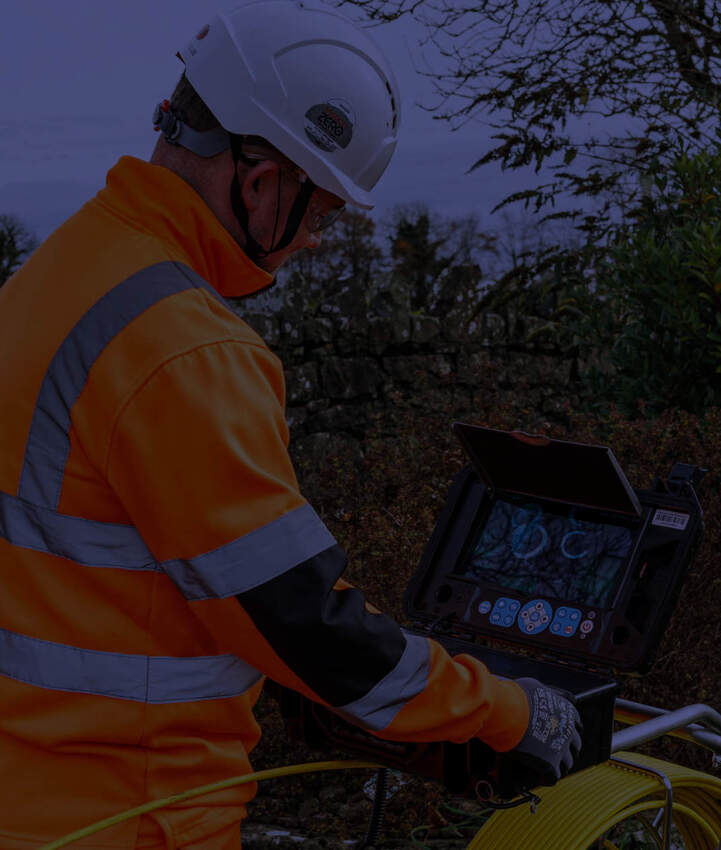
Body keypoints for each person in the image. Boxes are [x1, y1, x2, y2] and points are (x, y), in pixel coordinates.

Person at [0, 2, 581, 848]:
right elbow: (299, 621)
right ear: (261, 179)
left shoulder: (59, 271)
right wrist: (508, 713)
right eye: (320, 214)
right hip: (131, 809)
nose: (311, 241)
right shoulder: (184, 348)